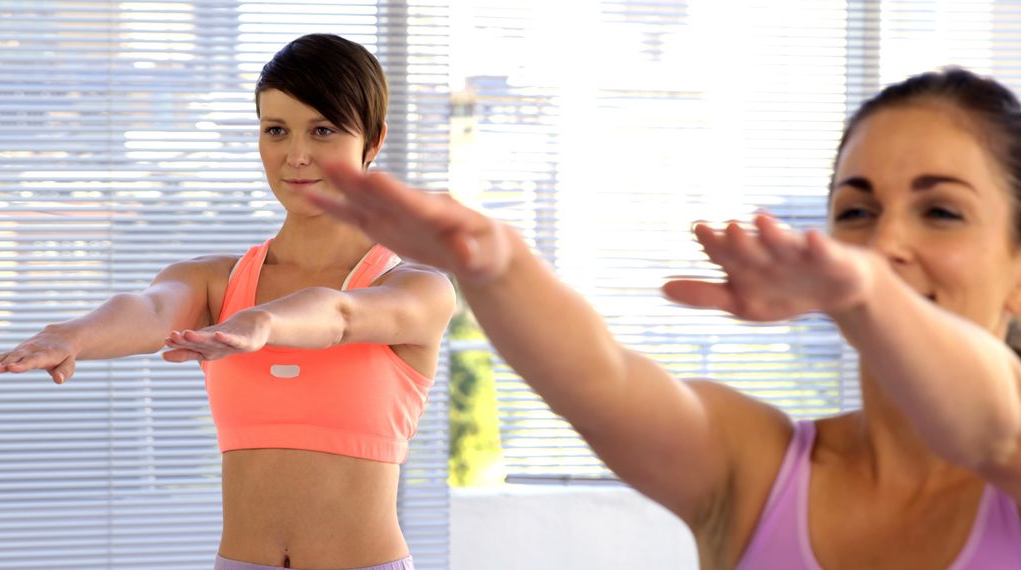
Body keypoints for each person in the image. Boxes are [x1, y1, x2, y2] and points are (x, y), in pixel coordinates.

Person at [305, 67, 1021, 568]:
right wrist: (494, 263)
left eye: (942, 212)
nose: (885, 243)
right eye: (856, 213)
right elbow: (601, 381)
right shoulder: (760, 468)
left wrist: (867, 291)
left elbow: (990, 428)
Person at [0, 34, 454, 570]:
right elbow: (154, 308)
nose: (296, 155)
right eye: (276, 130)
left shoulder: (414, 289)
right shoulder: (218, 281)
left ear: (372, 141)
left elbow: (341, 315)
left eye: (323, 130)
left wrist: (262, 322)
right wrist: (72, 335)